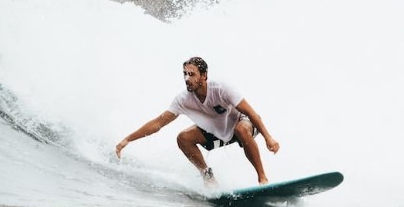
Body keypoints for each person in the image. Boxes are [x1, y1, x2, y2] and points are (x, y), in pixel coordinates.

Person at [115, 56, 280, 186]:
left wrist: (268, 138)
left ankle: (262, 178)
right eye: (185, 74)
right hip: (219, 131)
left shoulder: (222, 89)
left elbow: (252, 114)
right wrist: (127, 139)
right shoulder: (183, 99)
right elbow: (158, 123)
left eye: (191, 74)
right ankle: (208, 177)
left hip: (243, 123)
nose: (187, 78)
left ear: (204, 76)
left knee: (241, 130)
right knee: (183, 138)